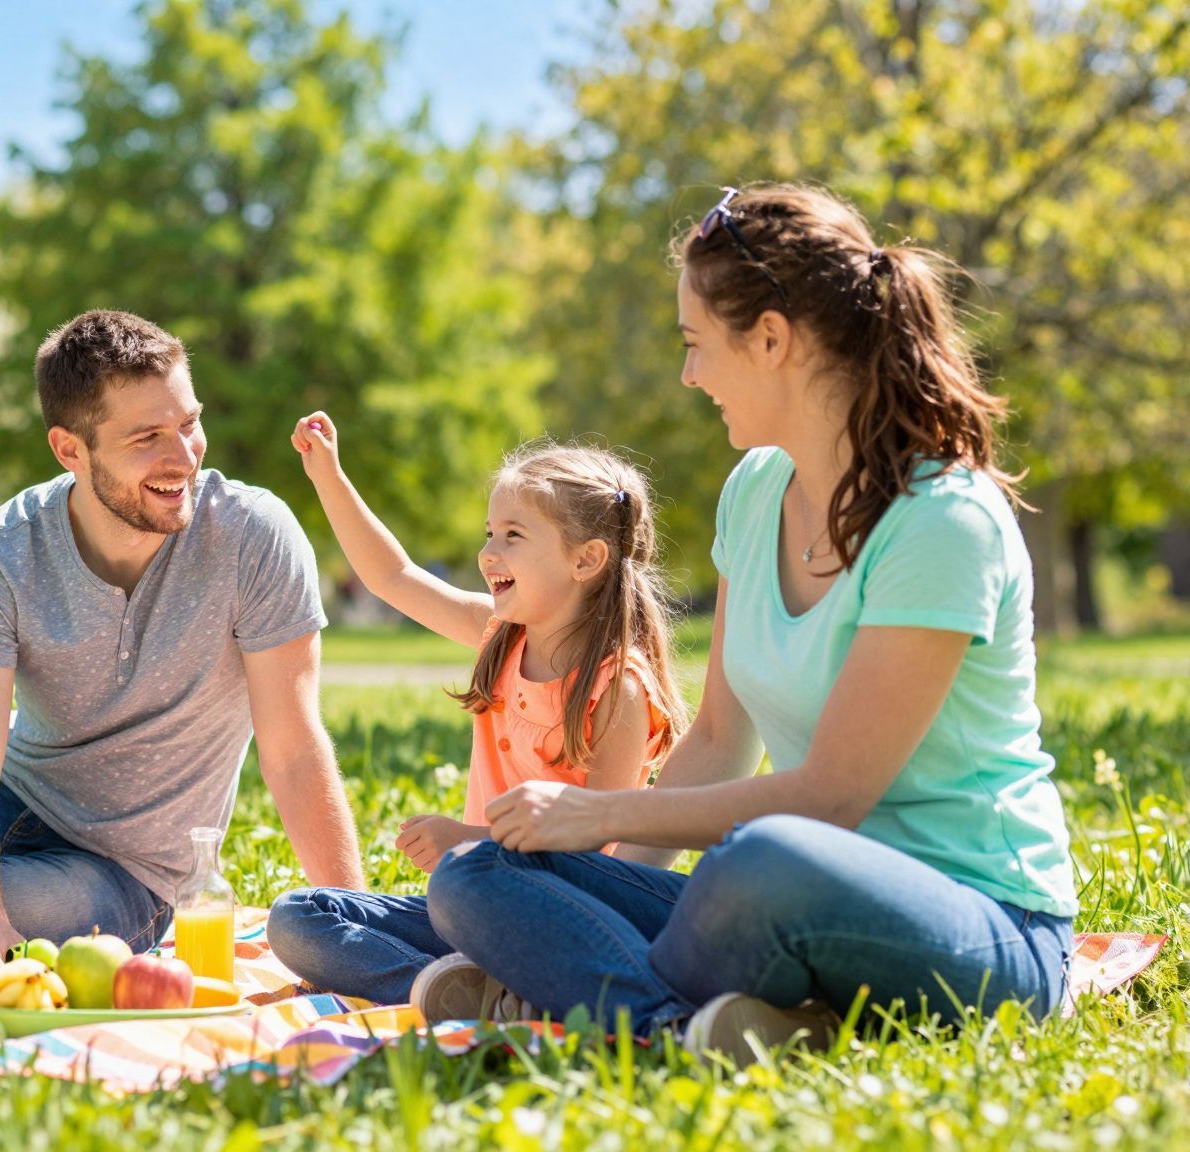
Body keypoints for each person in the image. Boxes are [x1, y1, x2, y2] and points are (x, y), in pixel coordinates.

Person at [425, 183, 1077, 1064]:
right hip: (777, 890)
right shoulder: (757, 490)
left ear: (771, 340)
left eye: (696, 344)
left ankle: (595, 995)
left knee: (759, 863)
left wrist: (595, 814)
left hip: (986, 925)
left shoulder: (940, 520)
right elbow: (720, 738)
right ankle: (689, 1024)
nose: (689, 375)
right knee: (478, 872)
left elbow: (832, 799)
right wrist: (597, 881)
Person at [0, 309, 366, 976]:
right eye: (147, 437)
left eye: (189, 423)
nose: (183, 456)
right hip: (6, 792)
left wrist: (356, 933)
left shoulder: (254, 536)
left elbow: (293, 750)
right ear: (70, 450)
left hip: (124, 871)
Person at [266, 424, 685, 1007]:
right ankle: (450, 989)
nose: (489, 554)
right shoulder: (500, 638)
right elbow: (393, 577)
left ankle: (490, 986)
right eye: (490, 533)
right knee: (297, 916)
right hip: (468, 911)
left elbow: (594, 853)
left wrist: (471, 843)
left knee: (457, 895)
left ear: (586, 559)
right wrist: (329, 477)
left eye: (513, 536)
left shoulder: (618, 689)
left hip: (562, 923)